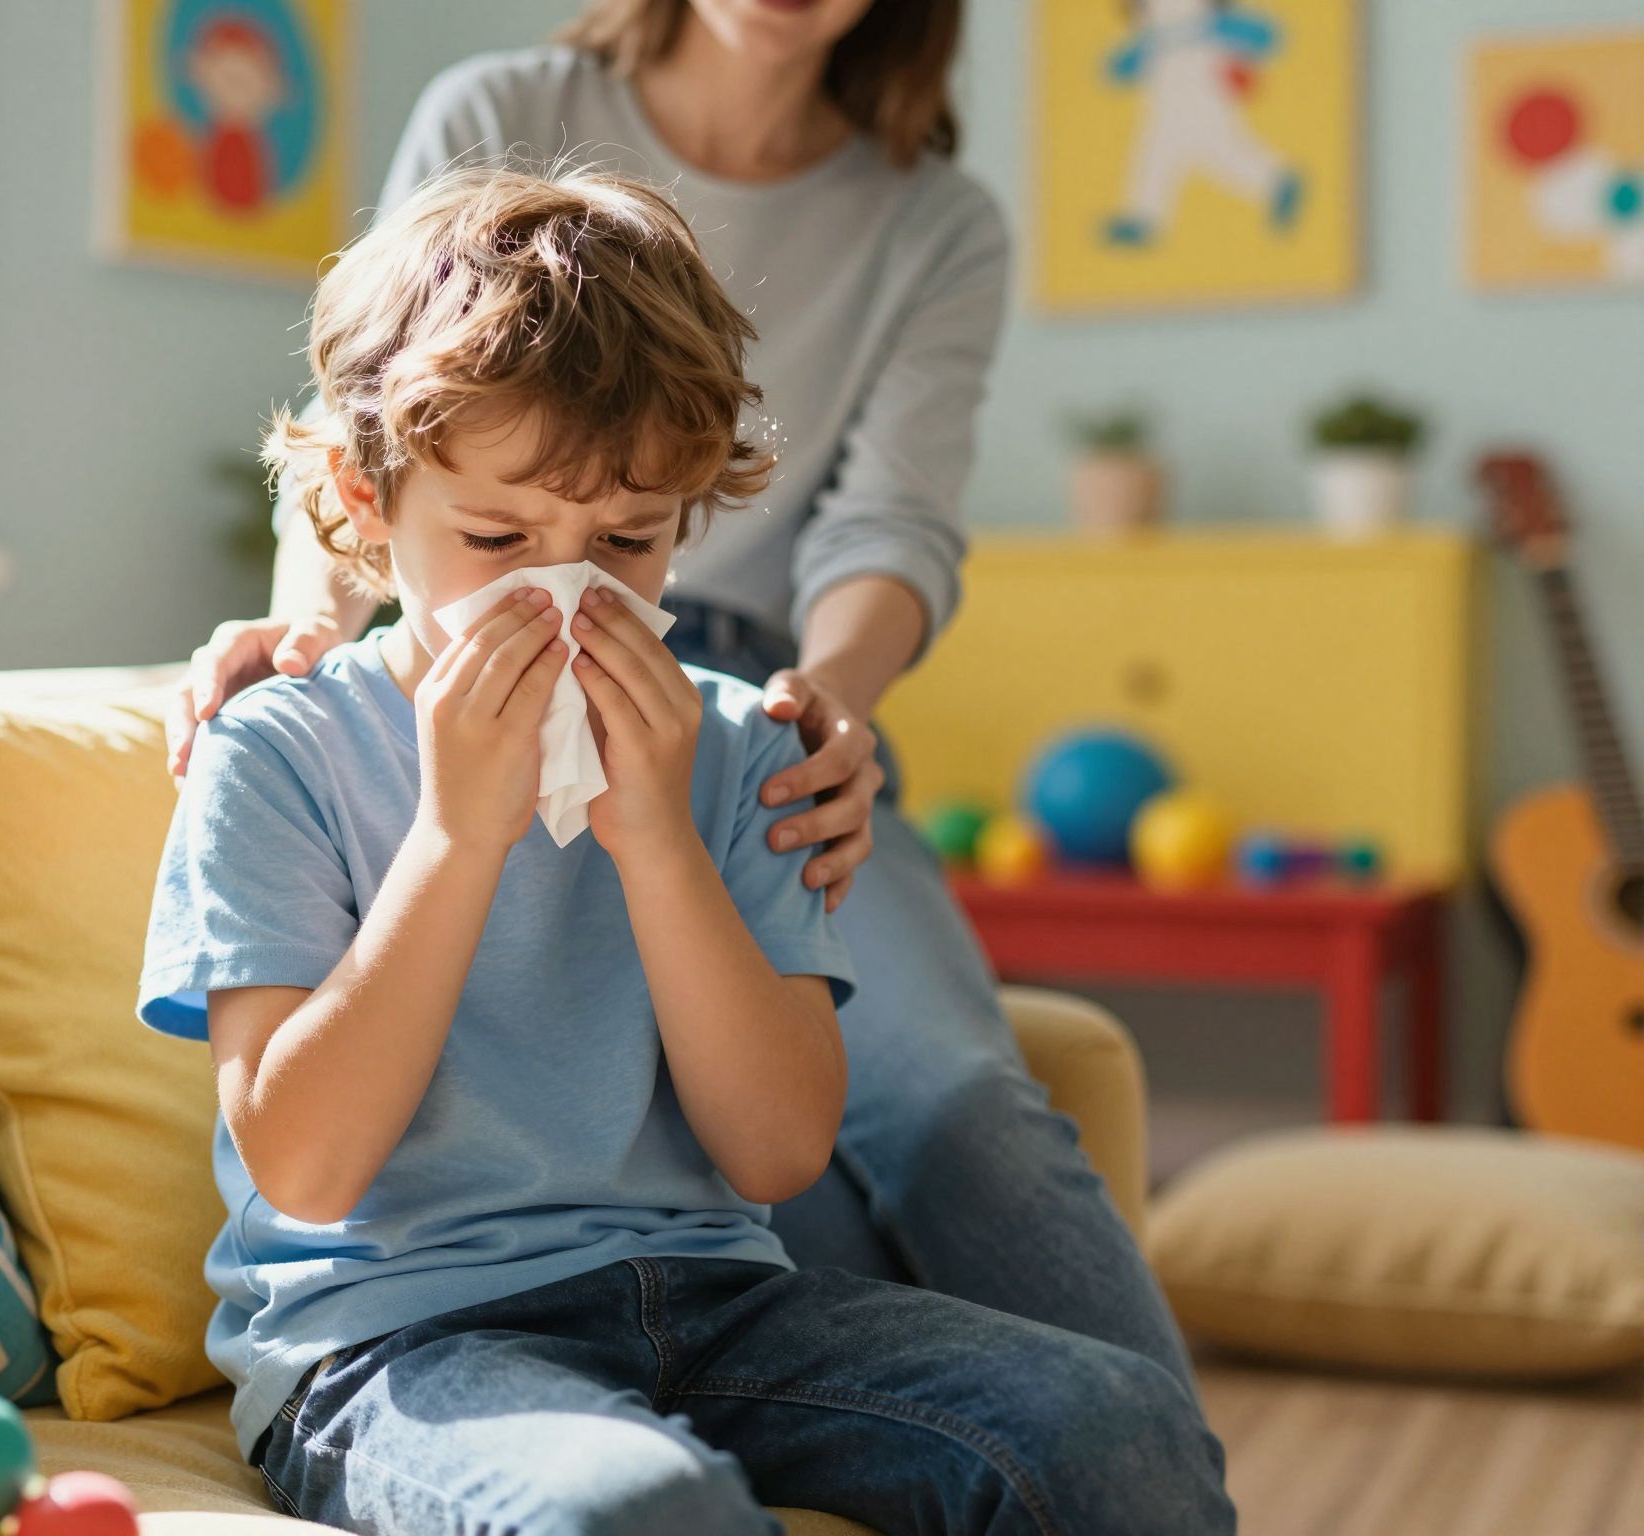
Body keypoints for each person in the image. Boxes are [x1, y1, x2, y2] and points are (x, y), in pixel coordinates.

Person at [139, 160, 1231, 1535]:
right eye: (496, 536)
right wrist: (457, 836)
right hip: (397, 1342)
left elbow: (776, 1151)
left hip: (715, 1306)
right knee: (644, 1510)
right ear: (366, 505)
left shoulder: (736, 752)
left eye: (629, 539)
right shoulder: (279, 755)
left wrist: (657, 836)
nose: (568, 589)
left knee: (1113, 1420)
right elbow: (302, 1167)